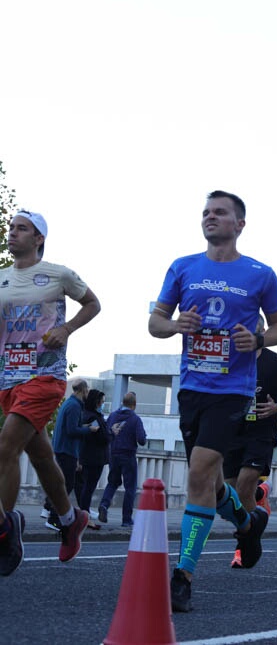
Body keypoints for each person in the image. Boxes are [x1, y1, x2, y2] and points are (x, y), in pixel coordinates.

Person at [149, 190, 277, 611]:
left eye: (220, 212)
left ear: (239, 223)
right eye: (206, 212)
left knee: (199, 472)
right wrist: (175, 325)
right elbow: (154, 322)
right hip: (193, 388)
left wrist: (259, 339)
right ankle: (247, 523)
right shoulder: (183, 266)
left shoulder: (260, 274)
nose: (210, 217)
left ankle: (183, 576)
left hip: (233, 391)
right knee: (209, 482)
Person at [0, 209, 101, 577]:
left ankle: (4, 530)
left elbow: (93, 303)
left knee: (5, 448)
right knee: (42, 459)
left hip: (45, 376)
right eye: (10, 228)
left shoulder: (58, 274)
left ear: (38, 238)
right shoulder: (1, 280)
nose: (12, 234)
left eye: (21, 229)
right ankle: (70, 518)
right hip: (9, 380)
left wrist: (68, 329)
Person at [224, 316, 277, 567]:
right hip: (234, 431)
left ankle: (245, 543)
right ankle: (258, 503)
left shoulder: (274, 362)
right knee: (230, 492)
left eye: (256, 325)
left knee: (244, 485)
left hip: (262, 431)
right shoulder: (232, 357)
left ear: (263, 330)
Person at [45, 379, 93, 530]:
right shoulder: (74, 406)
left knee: (61, 483)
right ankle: (53, 518)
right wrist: (88, 430)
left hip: (62, 449)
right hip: (67, 450)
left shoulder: (69, 403)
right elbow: (72, 431)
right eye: (87, 390)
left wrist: (84, 427)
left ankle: (49, 509)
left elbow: (70, 427)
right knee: (67, 485)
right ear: (83, 390)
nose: (88, 393)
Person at [98, 392, 147, 527]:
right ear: (134, 404)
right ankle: (126, 519)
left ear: (123, 403)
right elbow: (141, 440)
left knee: (112, 482)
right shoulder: (135, 419)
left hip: (113, 454)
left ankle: (104, 504)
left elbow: (106, 433)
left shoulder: (113, 416)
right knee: (130, 487)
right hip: (128, 455)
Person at [75, 388, 109, 522]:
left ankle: (84, 512)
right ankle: (84, 513)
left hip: (87, 455)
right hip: (94, 457)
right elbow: (102, 437)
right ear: (96, 402)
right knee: (88, 487)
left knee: (84, 486)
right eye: (102, 402)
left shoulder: (86, 414)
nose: (102, 404)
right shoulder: (93, 417)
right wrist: (111, 433)